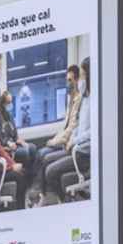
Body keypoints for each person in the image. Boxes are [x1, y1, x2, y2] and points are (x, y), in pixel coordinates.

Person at [26, 64, 85, 205]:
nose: (67, 84)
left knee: (44, 156)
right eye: (67, 80)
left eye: (70, 80)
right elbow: (64, 127)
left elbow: (71, 129)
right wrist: (53, 139)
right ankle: (41, 192)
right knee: (40, 153)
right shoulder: (71, 100)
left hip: (69, 143)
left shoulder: (80, 101)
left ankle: (40, 192)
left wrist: (54, 142)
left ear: (77, 81)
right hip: (65, 140)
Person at [43, 58, 92, 204]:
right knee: (46, 159)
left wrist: (73, 141)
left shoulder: (94, 100)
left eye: (82, 76)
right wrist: (72, 140)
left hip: (83, 153)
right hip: (75, 147)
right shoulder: (84, 99)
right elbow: (77, 126)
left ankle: (64, 202)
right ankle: (57, 198)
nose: (79, 81)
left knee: (50, 171)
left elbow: (92, 132)